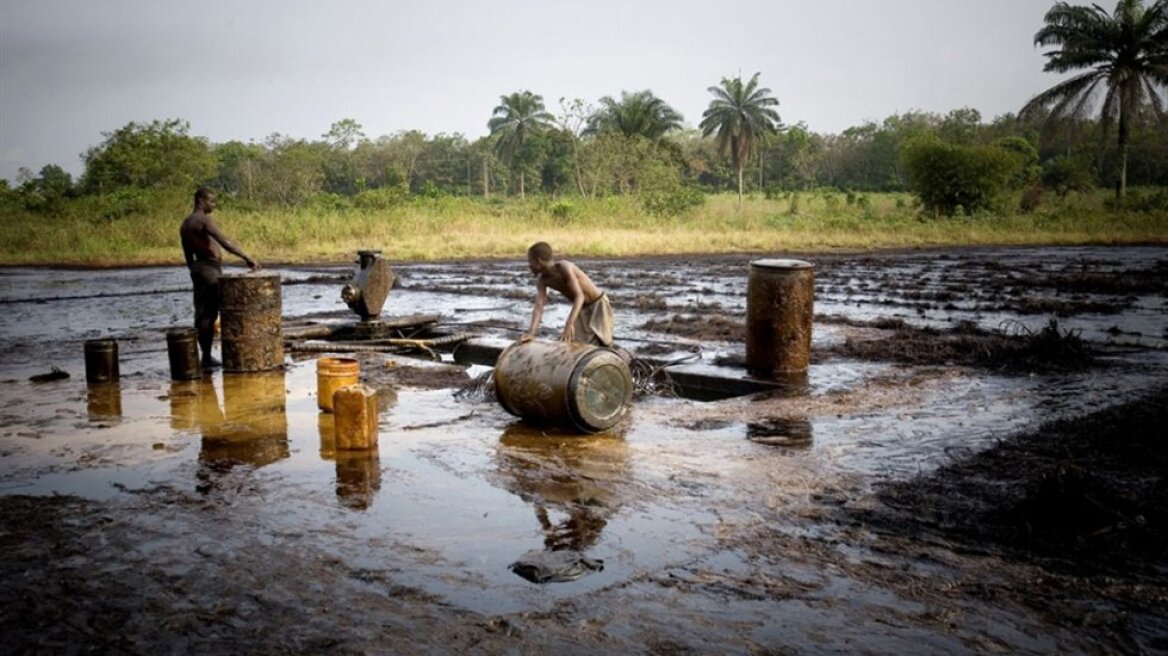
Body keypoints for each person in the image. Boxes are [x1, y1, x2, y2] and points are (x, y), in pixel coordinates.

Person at [180, 187, 259, 369]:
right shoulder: (203, 219)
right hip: (209, 269)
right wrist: (247, 258)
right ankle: (206, 358)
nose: (213, 205)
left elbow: (187, 255)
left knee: (201, 313)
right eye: (211, 201)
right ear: (201, 200)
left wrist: (194, 270)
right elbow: (224, 241)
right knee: (209, 313)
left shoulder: (185, 224)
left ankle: (204, 356)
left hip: (199, 268)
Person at [521, 241, 614, 346]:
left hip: (598, 304)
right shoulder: (542, 280)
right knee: (573, 343)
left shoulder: (564, 267)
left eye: (530, 262)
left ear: (538, 261)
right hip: (582, 309)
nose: (529, 266)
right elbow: (539, 307)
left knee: (604, 342)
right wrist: (531, 333)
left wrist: (569, 323)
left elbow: (580, 296)